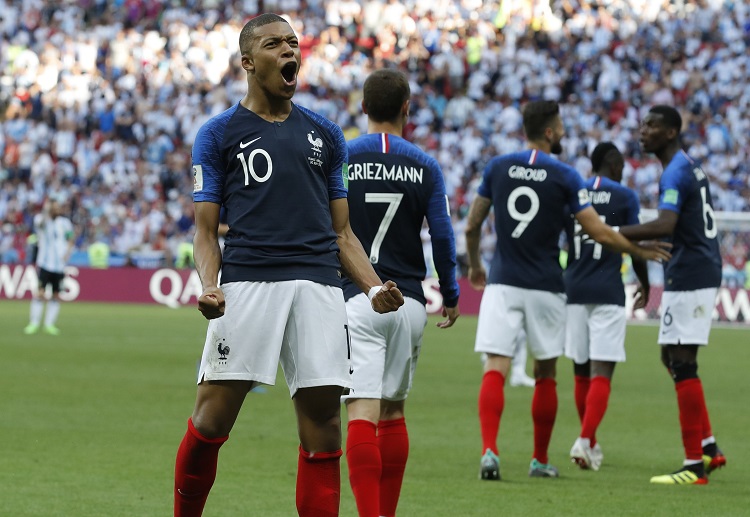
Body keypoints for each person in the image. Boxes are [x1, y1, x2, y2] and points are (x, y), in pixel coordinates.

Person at [174, 14, 404, 517]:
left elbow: (343, 233)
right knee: (212, 421)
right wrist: (209, 286)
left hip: (319, 287)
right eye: (274, 43)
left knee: (323, 428)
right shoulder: (218, 134)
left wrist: (369, 287)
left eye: (293, 43)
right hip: (248, 284)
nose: (288, 51)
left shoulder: (326, 134)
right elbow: (206, 232)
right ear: (248, 62)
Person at [465, 100, 671, 480]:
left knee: (496, 367)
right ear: (549, 131)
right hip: (546, 285)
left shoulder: (496, 167)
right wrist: (637, 249)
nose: (562, 132)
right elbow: (598, 231)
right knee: (545, 372)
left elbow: (472, 225)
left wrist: (476, 264)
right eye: (559, 127)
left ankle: (489, 452)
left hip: (502, 281)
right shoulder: (563, 175)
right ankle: (539, 460)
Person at [341, 69, 460, 517]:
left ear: (364, 107)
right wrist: (449, 292)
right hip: (409, 300)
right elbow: (443, 236)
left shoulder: (344, 157)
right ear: (407, 109)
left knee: (361, 415)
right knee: (394, 414)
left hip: (359, 297)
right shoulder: (426, 165)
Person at [618, 105, 726, 485]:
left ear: (669, 133)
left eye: (651, 125)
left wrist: (613, 231)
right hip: (692, 270)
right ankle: (710, 448)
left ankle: (694, 466)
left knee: (682, 362)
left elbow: (666, 224)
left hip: (693, 274)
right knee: (671, 356)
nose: (642, 130)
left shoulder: (677, 171)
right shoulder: (685, 166)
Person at [563, 142, 651, 471]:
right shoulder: (624, 196)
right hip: (608, 288)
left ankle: (591, 442)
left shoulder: (575, 190)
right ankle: (585, 440)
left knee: (580, 370)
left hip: (573, 287)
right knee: (603, 371)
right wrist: (644, 282)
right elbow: (633, 242)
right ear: (614, 166)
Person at [24, 199, 74, 335]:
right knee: (40, 292)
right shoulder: (41, 219)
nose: (57, 210)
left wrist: (68, 252)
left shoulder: (65, 223)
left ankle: (49, 324)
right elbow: (39, 224)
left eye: (58, 207)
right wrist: (47, 209)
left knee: (56, 294)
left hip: (60, 265)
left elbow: (70, 238)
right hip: (44, 263)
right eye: (55, 208)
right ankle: (34, 323)